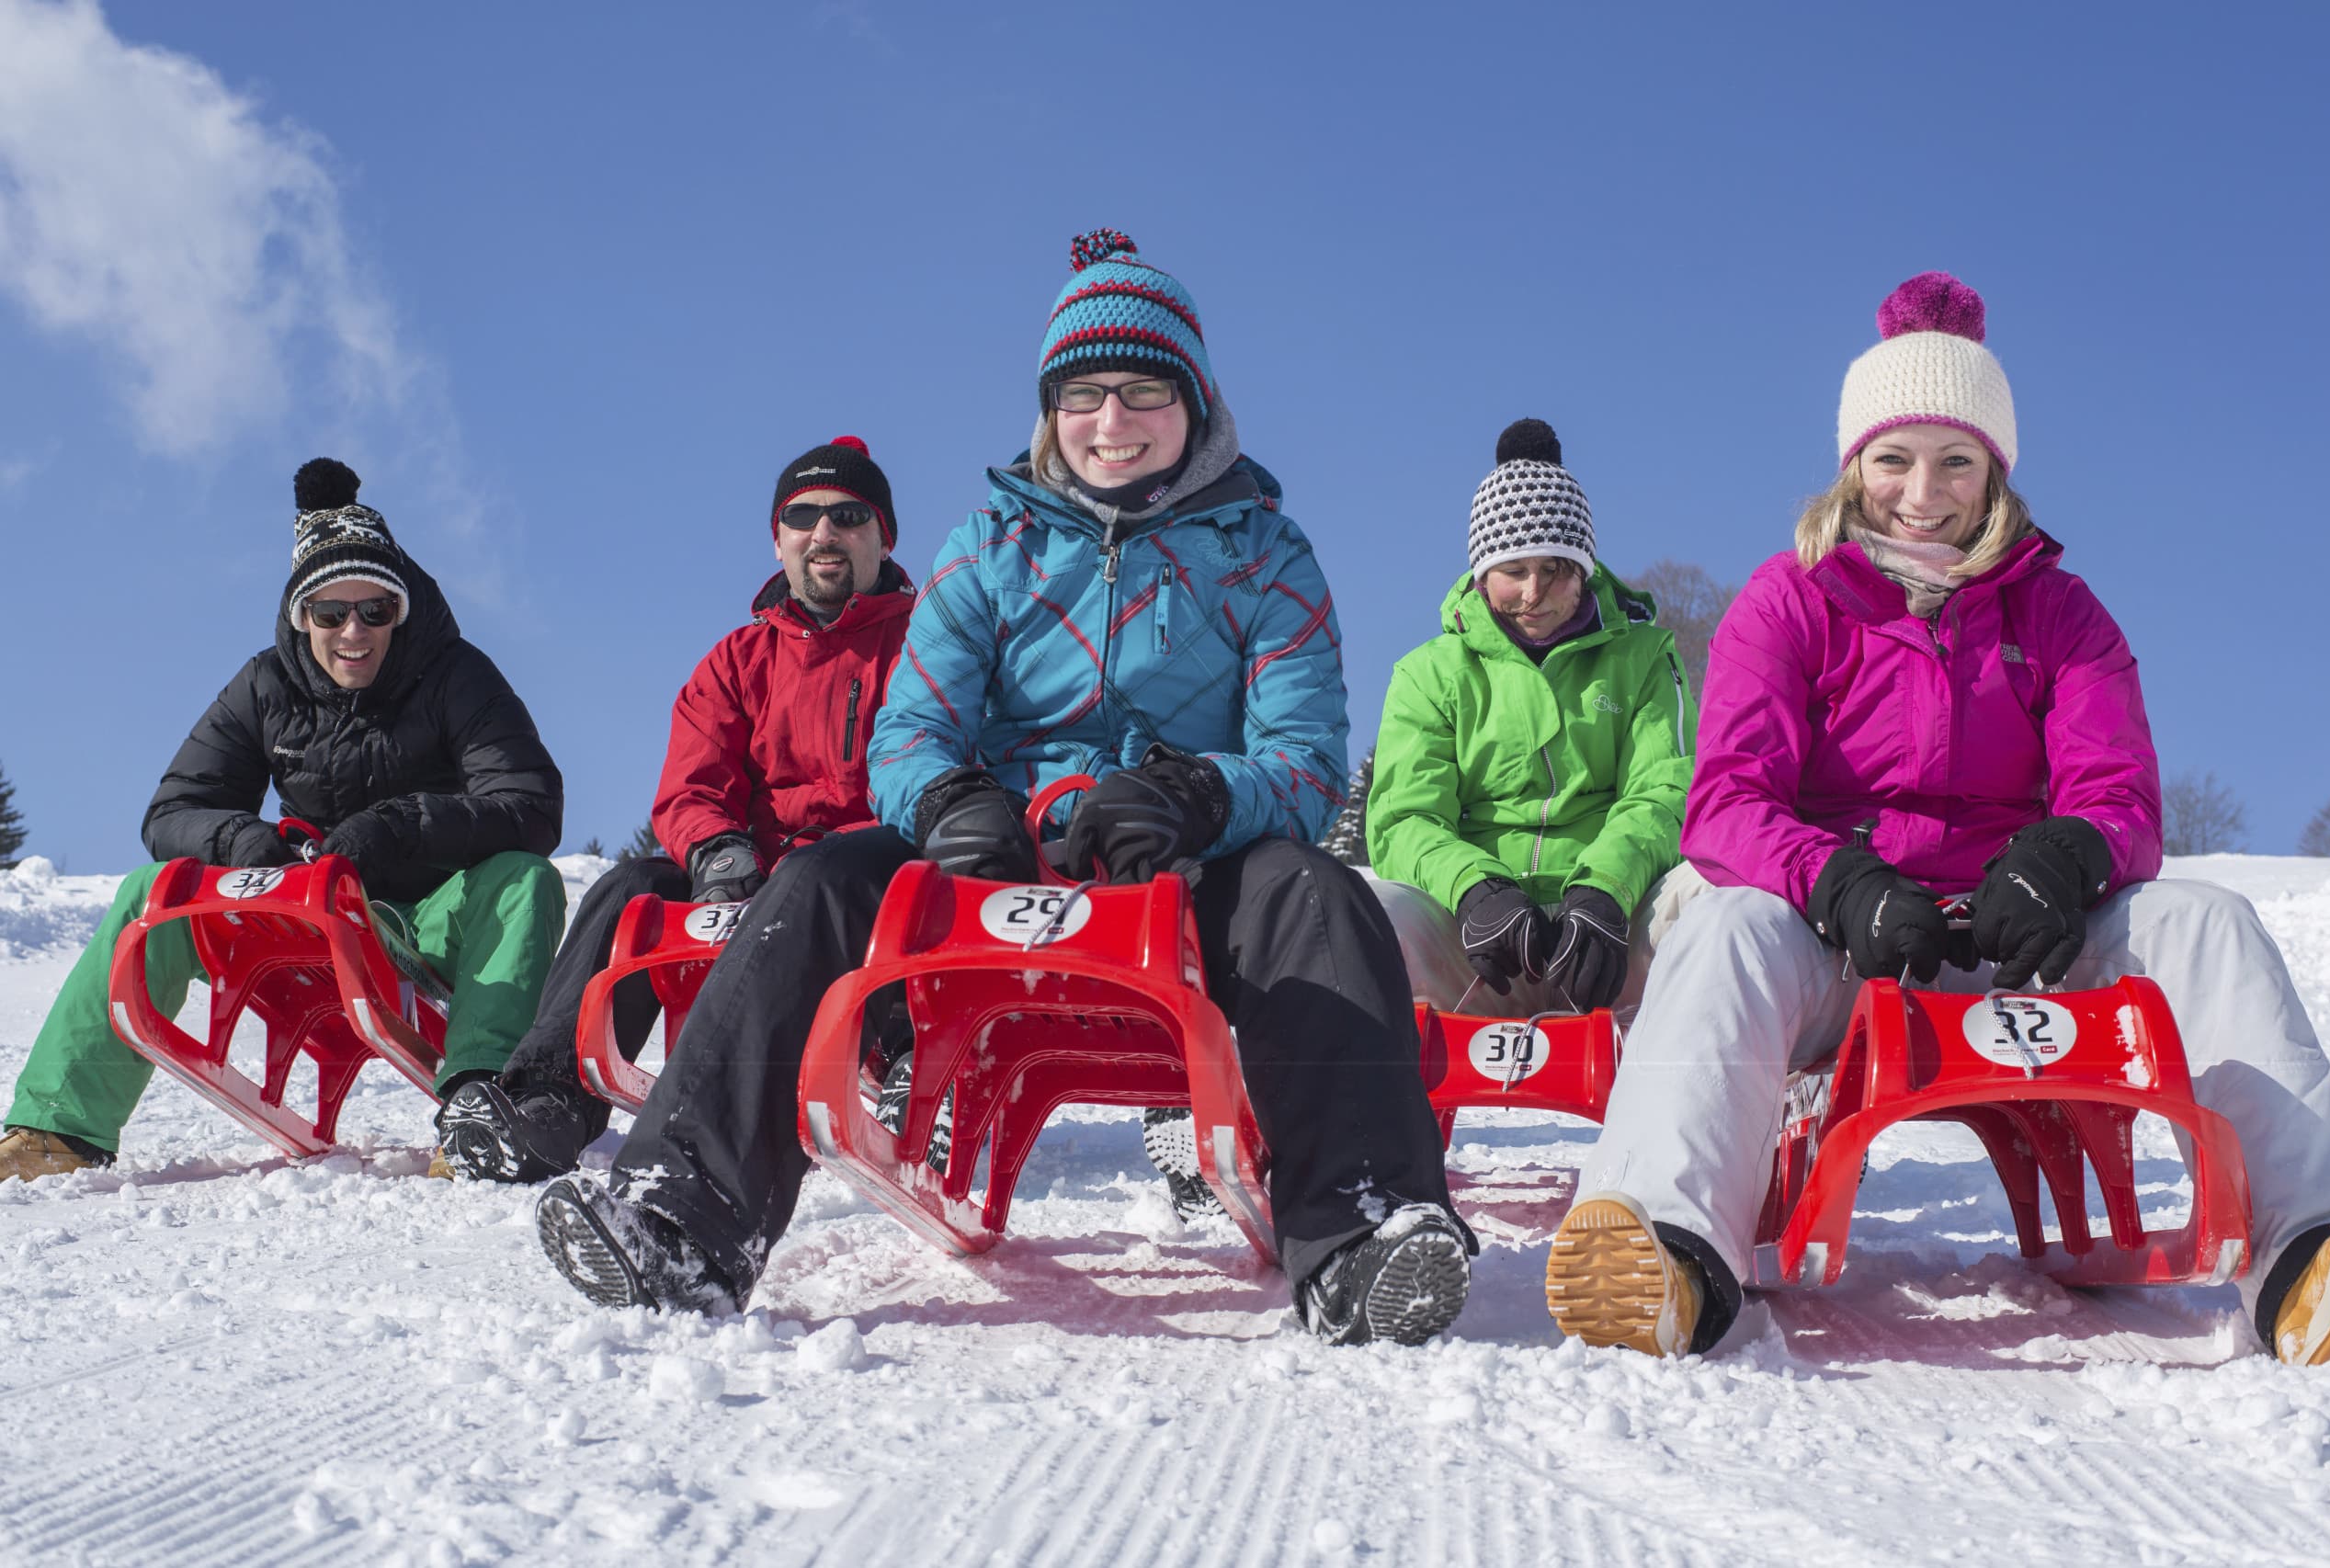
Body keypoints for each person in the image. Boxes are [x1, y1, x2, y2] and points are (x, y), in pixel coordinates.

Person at [532, 231, 1473, 1346]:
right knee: (827, 880)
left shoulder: (1264, 551)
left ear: (1197, 403)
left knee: (1316, 896)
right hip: (1007, 833)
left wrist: (1200, 798)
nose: (1112, 423)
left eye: (1142, 392)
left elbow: (1305, 758)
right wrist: (945, 802)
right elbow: (914, 722)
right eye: (1083, 394)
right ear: (1048, 409)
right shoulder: (994, 541)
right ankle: (681, 1214)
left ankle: (1362, 1227)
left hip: (1186, 855)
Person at [1547, 273, 2330, 1364]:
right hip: (1845, 940)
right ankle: (1666, 1246)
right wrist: (1837, 880)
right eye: (1894, 459)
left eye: (1956, 461)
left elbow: (2118, 790)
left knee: (2207, 921)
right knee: (1725, 931)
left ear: (1996, 472)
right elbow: (1728, 802)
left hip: (2027, 937)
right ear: (1853, 466)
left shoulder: (2059, 612)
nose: (1923, 493)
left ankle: (2315, 1248)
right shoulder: (1788, 602)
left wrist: (2065, 858)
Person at [0, 460, 565, 1179]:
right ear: (303, 617)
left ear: (402, 611)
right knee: (152, 892)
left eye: (375, 611)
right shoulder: (267, 683)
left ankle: (481, 1116)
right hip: (309, 909)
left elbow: (530, 804)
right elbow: (174, 809)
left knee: (524, 879)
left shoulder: (458, 675)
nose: (353, 631)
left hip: (429, 918)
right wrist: (243, 839)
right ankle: (57, 1130)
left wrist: (398, 827)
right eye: (331, 612)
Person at [436, 438, 915, 1182]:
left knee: (900, 881)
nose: (824, 532)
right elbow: (692, 784)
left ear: (883, 536)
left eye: (848, 515)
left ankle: (913, 1069)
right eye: (804, 515)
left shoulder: (922, 644)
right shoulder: (736, 660)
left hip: (868, 878)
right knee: (633, 888)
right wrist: (720, 854)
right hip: (755, 873)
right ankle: (547, 1102)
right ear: (778, 537)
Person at [1364, 416, 1698, 1025]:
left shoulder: (1643, 657)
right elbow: (1404, 817)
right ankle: (1363, 1114)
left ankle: (1710, 1099)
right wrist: (1476, 889)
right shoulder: (1428, 673)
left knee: (1713, 894)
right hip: (1479, 942)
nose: (1534, 592)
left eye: (1556, 569)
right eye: (1513, 570)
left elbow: (1666, 790)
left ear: (1585, 570)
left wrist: (1606, 889)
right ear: (1480, 571)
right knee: (1362, 913)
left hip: (1610, 935)